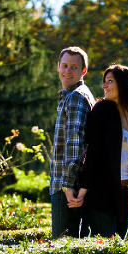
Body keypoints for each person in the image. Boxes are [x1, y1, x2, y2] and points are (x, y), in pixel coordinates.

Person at [72, 64, 128, 238]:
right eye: (104, 81)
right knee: (106, 249)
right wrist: (83, 191)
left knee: (118, 250)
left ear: (124, 84)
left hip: (125, 195)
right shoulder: (101, 110)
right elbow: (92, 153)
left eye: (110, 81)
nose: (104, 86)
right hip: (100, 192)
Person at [49, 45, 95, 240]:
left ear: (83, 71)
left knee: (62, 247)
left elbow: (74, 144)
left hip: (68, 189)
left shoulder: (76, 97)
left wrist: (67, 187)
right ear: (58, 66)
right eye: (65, 66)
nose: (68, 71)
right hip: (70, 186)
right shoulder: (72, 95)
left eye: (74, 67)